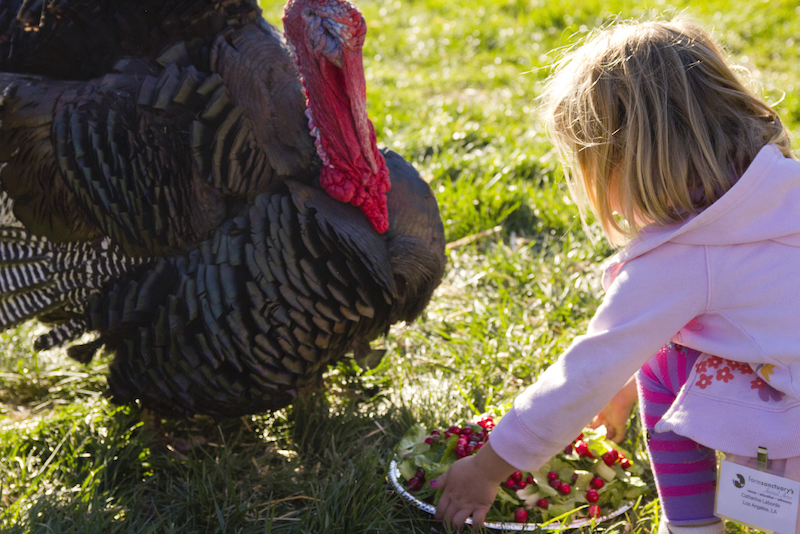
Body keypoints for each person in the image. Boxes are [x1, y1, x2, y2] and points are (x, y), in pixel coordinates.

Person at [431, 17, 800, 534]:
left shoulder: (681, 258)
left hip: (789, 488)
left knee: (661, 365)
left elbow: (585, 373)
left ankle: (691, 528)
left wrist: (486, 467)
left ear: (619, 160)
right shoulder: (783, 188)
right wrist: (623, 390)